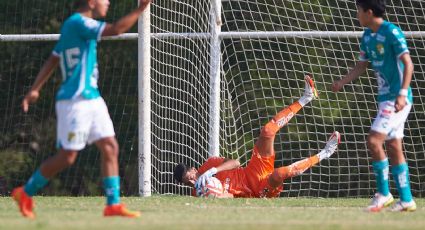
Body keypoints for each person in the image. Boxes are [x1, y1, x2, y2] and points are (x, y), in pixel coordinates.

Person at [12, 0, 151, 218]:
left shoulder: (72, 25)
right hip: (74, 101)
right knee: (68, 157)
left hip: (92, 98)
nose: (108, 2)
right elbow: (115, 30)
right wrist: (140, 9)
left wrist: (35, 89)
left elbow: (54, 58)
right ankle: (25, 192)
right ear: (91, 1)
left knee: (110, 147)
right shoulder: (78, 23)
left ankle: (112, 204)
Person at [174, 76, 341, 198]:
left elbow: (236, 163)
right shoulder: (198, 193)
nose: (190, 181)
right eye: (186, 182)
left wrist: (213, 171)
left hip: (252, 171)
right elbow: (231, 198)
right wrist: (217, 194)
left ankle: (306, 97)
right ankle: (326, 152)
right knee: (278, 174)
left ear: (194, 170)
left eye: (189, 176)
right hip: (256, 191)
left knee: (267, 131)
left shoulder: (210, 165)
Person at [332, 0, 415, 212]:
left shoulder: (391, 32)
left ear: (369, 12)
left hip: (397, 99)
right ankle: (406, 199)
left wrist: (402, 94)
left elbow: (408, 64)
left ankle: (384, 193)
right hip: (385, 98)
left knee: (374, 140)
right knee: (394, 146)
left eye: (359, 11)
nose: (357, 15)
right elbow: (361, 66)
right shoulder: (367, 36)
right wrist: (342, 81)